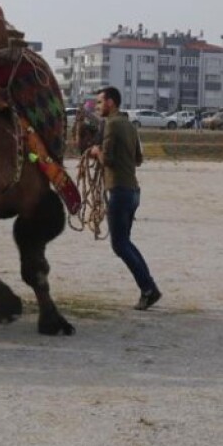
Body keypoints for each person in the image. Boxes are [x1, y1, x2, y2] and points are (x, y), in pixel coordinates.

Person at [87, 87, 161, 310]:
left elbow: (107, 160)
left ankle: (148, 288)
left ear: (111, 102)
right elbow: (138, 159)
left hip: (119, 191)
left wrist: (95, 151)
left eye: (100, 102)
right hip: (133, 192)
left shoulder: (111, 125)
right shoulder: (129, 125)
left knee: (119, 245)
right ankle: (149, 287)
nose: (98, 107)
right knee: (125, 243)